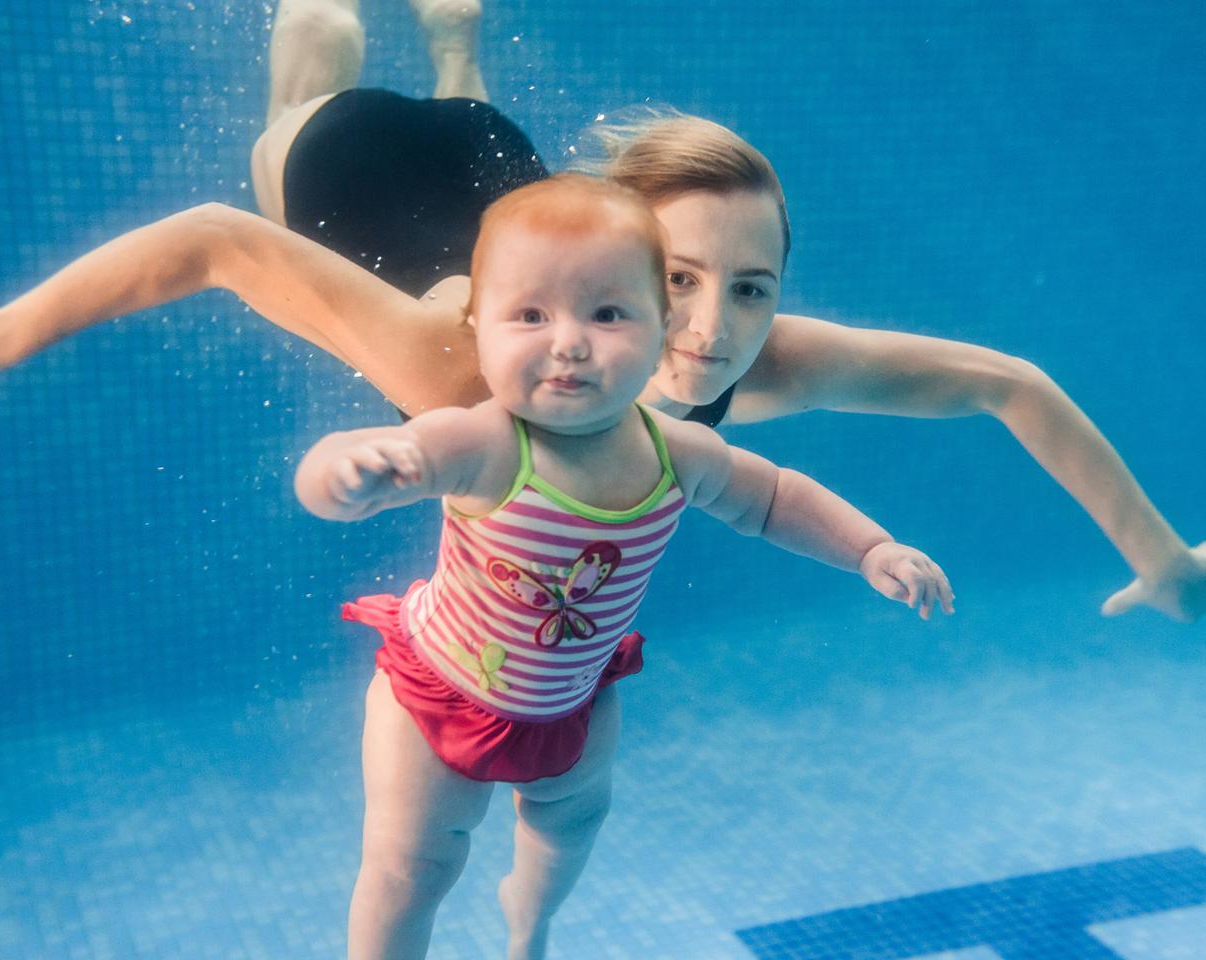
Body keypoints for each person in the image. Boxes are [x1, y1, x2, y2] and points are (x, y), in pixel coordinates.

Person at [0, 0, 1206, 622]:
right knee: (306, 71)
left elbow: (1001, 382)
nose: (710, 336)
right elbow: (212, 241)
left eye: (752, 288)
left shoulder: (755, 354)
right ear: (628, 260)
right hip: (356, 171)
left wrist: (1161, 561)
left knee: (471, 109)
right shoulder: (447, 356)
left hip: (499, 166)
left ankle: (455, 42)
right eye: (678, 284)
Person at [296, 174, 952, 959]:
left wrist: (870, 549)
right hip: (438, 693)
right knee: (415, 866)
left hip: (572, 704)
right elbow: (352, 470)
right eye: (530, 315)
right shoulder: (484, 441)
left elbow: (775, 498)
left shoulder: (679, 454)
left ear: (660, 327)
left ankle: (528, 924)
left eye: (607, 313)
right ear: (478, 328)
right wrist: (345, 472)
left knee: (569, 829)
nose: (568, 342)